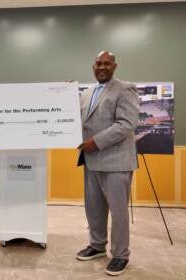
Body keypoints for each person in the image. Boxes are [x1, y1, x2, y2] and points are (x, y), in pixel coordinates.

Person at [76, 51, 140, 276]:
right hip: (91, 161)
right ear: (93, 66)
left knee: (118, 212)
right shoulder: (87, 93)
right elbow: (78, 121)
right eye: (98, 63)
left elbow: (126, 124)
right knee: (93, 208)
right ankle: (97, 245)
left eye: (106, 63)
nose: (101, 67)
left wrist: (96, 142)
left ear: (114, 66)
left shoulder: (125, 89)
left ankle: (121, 255)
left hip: (116, 161)